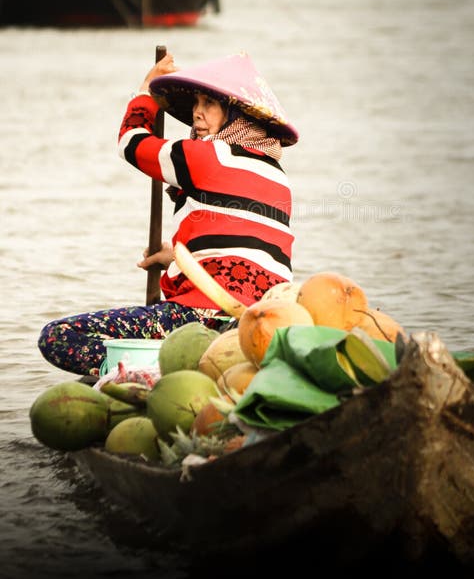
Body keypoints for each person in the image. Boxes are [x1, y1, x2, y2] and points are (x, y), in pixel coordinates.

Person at [38, 50, 299, 376]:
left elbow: (132, 142)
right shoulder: (278, 176)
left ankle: (138, 377)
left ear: (237, 115)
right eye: (195, 104)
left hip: (202, 318)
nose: (196, 115)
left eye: (209, 104)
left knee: (58, 337)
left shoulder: (210, 155)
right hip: (263, 325)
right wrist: (178, 257)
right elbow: (242, 245)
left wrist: (145, 93)